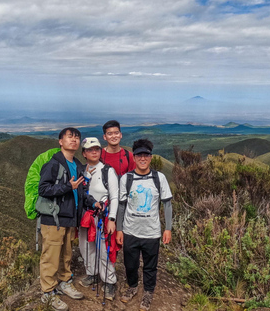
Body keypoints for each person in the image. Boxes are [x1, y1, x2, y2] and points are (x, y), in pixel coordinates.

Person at [38, 127, 99, 311]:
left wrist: (93, 203)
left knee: (66, 254)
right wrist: (67, 186)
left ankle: (64, 282)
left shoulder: (79, 165)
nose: (74, 139)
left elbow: (80, 192)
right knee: (50, 256)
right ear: (60, 141)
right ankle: (48, 293)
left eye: (77, 137)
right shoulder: (53, 164)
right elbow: (43, 189)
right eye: (69, 136)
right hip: (53, 219)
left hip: (70, 218)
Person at [116, 139, 172, 311]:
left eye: (146, 155)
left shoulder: (159, 178)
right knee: (130, 264)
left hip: (151, 232)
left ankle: (148, 292)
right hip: (130, 230)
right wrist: (119, 229)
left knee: (150, 266)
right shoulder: (127, 178)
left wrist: (168, 228)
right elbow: (121, 205)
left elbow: (167, 204)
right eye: (139, 155)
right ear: (134, 157)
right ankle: (132, 286)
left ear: (151, 157)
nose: (142, 158)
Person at [78, 137, 120, 300]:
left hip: (102, 216)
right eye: (90, 149)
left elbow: (115, 196)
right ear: (84, 153)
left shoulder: (107, 171)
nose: (94, 152)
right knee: (86, 247)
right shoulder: (81, 171)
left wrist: (112, 218)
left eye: (96, 149)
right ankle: (92, 273)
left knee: (105, 249)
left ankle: (109, 281)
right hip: (85, 216)